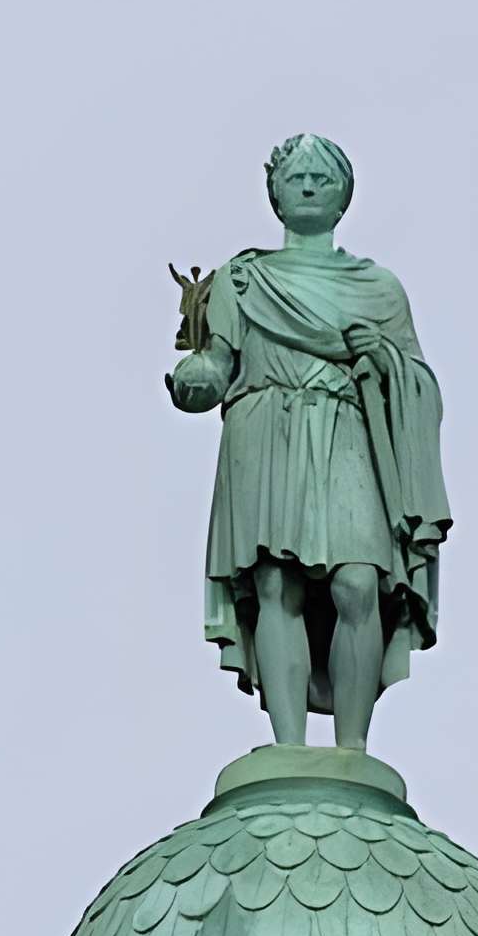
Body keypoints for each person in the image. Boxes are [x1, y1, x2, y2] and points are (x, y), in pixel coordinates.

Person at [167, 133, 452, 749]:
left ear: (344, 195)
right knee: (276, 582)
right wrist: (195, 379)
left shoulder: (378, 288)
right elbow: (218, 362)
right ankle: (289, 743)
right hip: (266, 424)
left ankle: (353, 746)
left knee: (357, 581)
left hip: (346, 425)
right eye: (295, 176)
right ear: (274, 193)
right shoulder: (243, 280)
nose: (308, 186)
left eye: (322, 178)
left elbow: (422, 384)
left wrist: (383, 361)